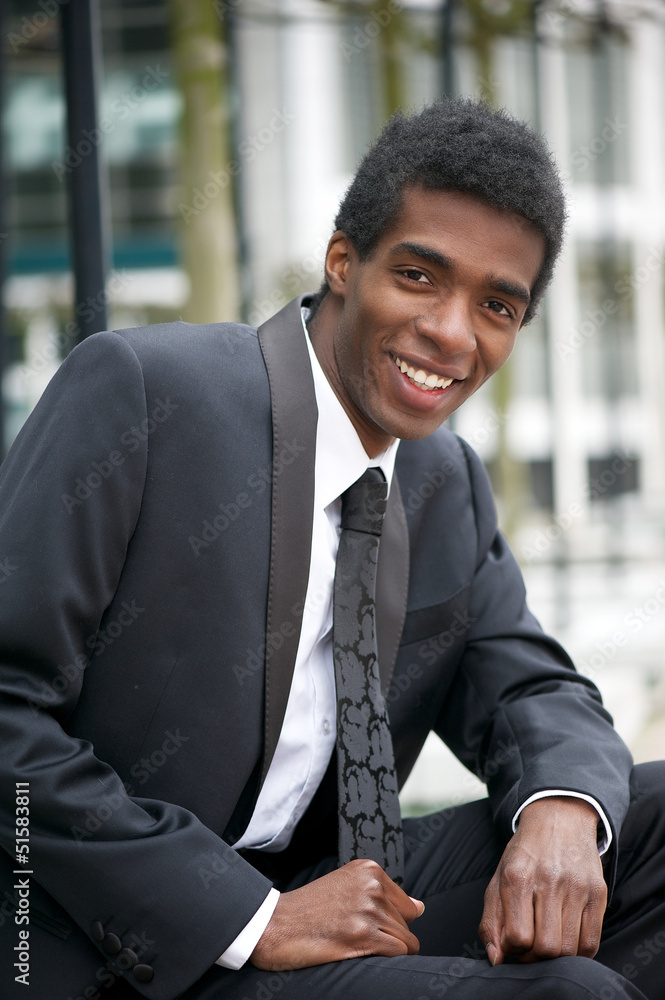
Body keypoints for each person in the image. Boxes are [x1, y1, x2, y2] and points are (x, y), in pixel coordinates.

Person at [0, 98, 663, 1000]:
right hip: (117, 937)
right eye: (421, 276)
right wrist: (248, 917)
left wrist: (560, 808)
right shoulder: (146, 396)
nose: (451, 333)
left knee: (646, 815)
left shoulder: (442, 480)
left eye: (496, 305)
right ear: (342, 261)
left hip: (339, 887)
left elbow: (531, 687)